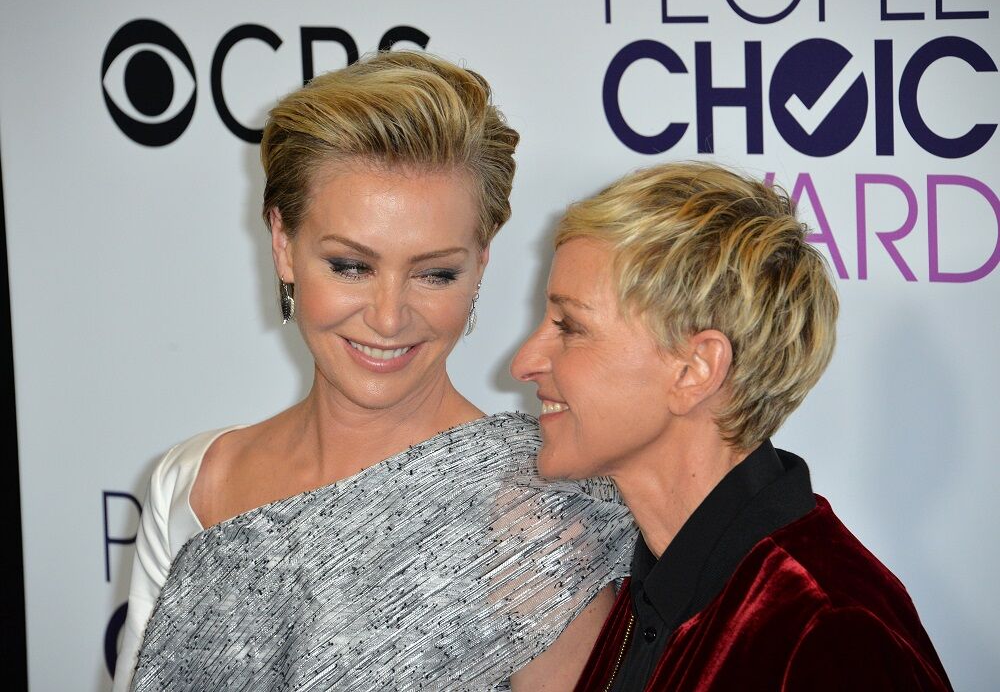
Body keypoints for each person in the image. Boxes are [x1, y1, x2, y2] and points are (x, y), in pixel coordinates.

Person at [113, 50, 635, 692]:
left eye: (434, 273)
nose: (389, 318)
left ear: (480, 265)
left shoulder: (536, 517)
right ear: (282, 244)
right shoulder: (191, 483)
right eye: (350, 266)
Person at [511, 161, 953, 691]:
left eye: (570, 327)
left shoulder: (827, 631)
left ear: (694, 370)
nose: (525, 361)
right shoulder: (655, 590)